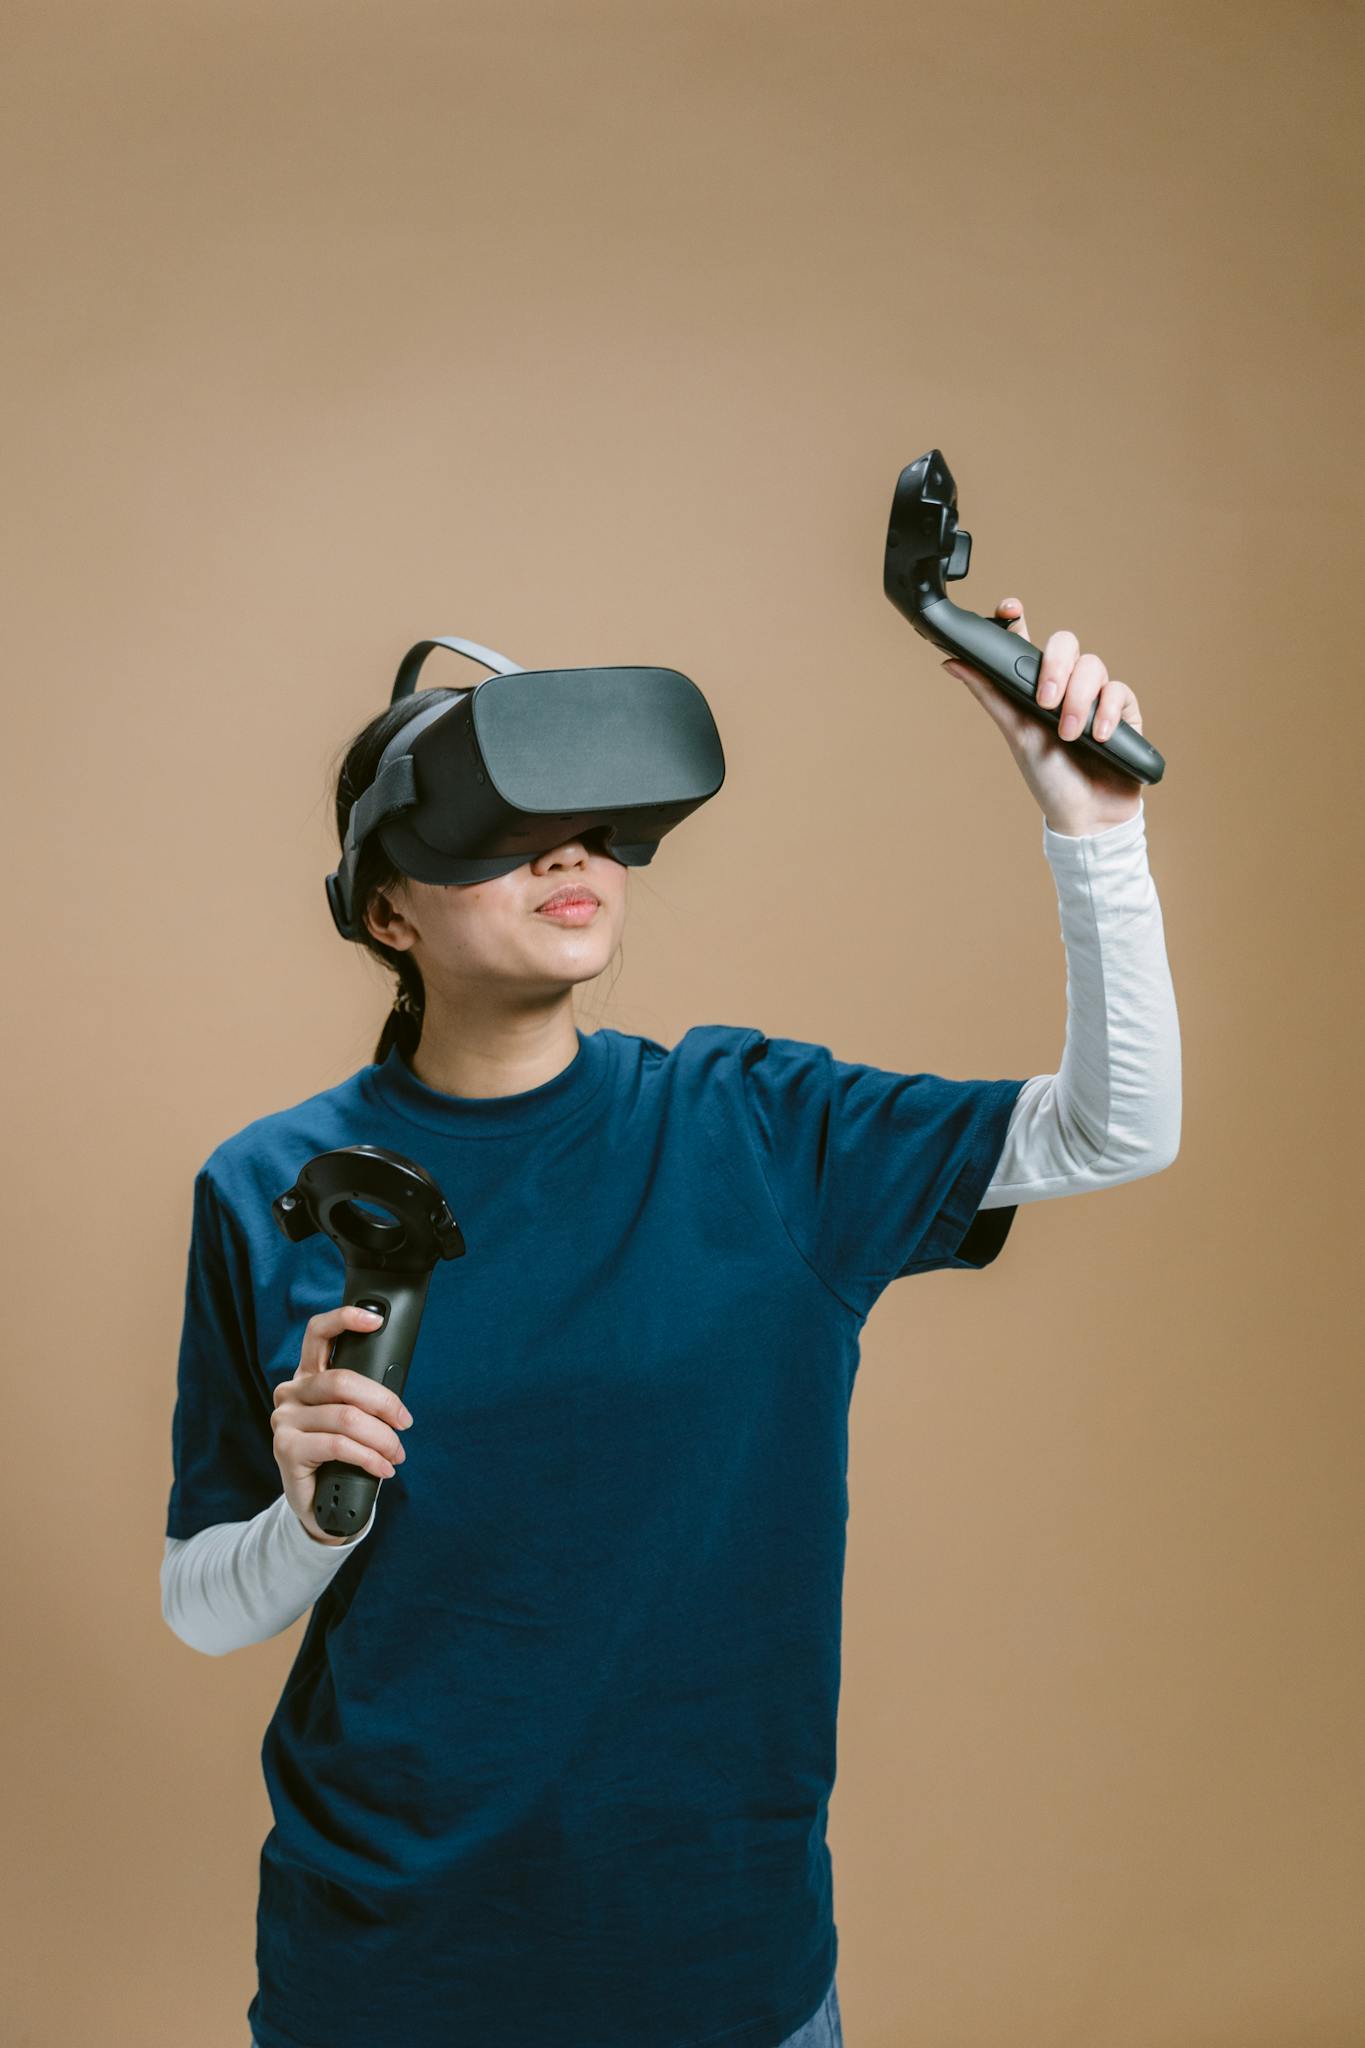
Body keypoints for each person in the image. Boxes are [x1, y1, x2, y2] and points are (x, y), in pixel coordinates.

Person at [161, 600, 1181, 2048]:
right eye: (493, 827)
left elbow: (1114, 1131)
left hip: (710, 1957)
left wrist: (1094, 830)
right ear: (387, 910)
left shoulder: (757, 1127)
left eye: (583, 820)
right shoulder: (271, 1186)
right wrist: (310, 1525)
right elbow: (201, 1604)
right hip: (387, 1970)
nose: (563, 853)